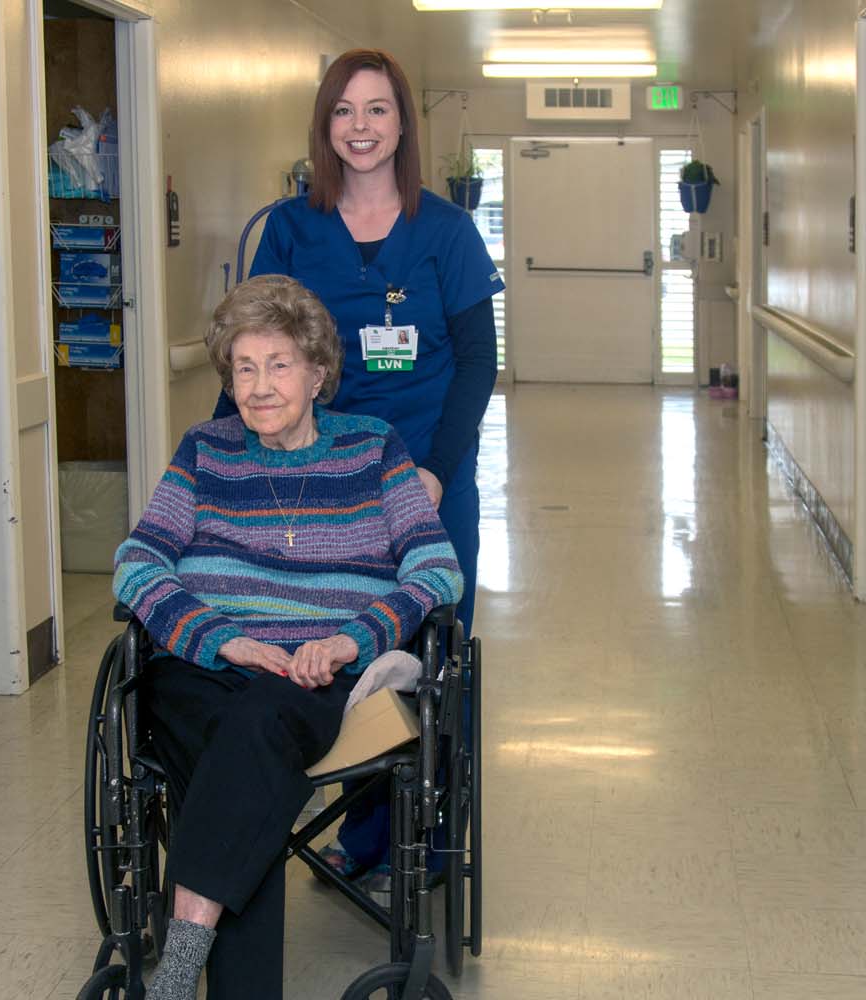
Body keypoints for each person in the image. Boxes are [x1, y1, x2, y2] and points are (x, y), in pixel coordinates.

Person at [114, 275, 462, 1000]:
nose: (259, 386)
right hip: (200, 666)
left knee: (254, 732)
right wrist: (220, 640)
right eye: (243, 368)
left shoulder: (372, 448)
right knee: (247, 765)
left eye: (277, 365)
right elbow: (137, 560)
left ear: (316, 373)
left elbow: (436, 568)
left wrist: (348, 641)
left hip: (310, 677)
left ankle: (176, 976)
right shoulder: (205, 450)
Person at [214, 47, 503, 884]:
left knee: (428, 653)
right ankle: (342, 817)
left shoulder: (444, 231)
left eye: (376, 109)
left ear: (402, 122)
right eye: (343, 111)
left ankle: (416, 836)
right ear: (324, 125)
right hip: (320, 479)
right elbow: (254, 352)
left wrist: (438, 472)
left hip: (426, 470)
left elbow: (477, 364)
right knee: (324, 642)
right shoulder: (291, 229)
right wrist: (219, 457)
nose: (360, 127)